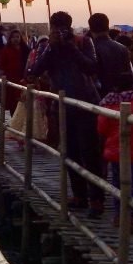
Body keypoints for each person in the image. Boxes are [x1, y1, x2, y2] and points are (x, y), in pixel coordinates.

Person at [28, 11, 103, 215]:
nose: (59, 33)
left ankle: (96, 199)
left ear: (69, 28)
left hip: (86, 102)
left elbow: (91, 67)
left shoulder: (83, 42)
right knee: (70, 152)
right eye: (56, 29)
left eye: (63, 29)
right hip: (62, 106)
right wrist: (51, 47)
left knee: (91, 153)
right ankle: (79, 195)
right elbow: (35, 70)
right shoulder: (48, 47)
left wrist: (70, 47)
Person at [97, 79, 133, 232]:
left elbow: (101, 128)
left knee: (117, 183)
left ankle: (118, 215)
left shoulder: (109, 102)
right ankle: (129, 217)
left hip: (115, 151)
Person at [88, 12, 132, 97]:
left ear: (91, 29)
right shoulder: (123, 48)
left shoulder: (92, 49)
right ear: (108, 27)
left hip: (100, 97)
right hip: (121, 97)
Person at [0, 29, 30, 115]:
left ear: (20, 38)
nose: (16, 39)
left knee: (24, 104)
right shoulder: (5, 51)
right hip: (10, 80)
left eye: (17, 37)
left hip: (23, 80)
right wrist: (1, 77)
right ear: (10, 39)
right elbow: (2, 66)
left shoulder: (26, 50)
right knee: (13, 104)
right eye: (13, 37)